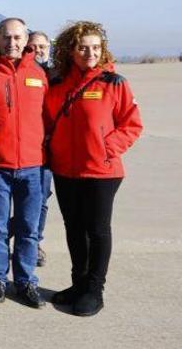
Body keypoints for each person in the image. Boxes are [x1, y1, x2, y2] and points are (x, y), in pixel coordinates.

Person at [44, 21, 142, 316]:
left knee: (97, 231)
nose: (90, 52)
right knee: (74, 229)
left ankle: (94, 290)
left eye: (96, 47)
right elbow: (47, 123)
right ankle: (78, 283)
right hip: (65, 170)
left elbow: (132, 124)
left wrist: (106, 149)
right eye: (83, 47)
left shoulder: (114, 83)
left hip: (101, 171)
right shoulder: (57, 85)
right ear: (70, 50)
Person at [0, 18, 47, 308]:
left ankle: (26, 281)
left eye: (17, 37)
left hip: (32, 167)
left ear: (25, 39)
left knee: (28, 229)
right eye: (6, 37)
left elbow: (48, 117)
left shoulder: (39, 74)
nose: (12, 43)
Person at [27, 31, 53, 267]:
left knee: (41, 199)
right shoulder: (21, 72)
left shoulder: (57, 76)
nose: (38, 50)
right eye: (33, 46)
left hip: (47, 152)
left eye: (42, 46)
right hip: (23, 149)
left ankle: (34, 241)